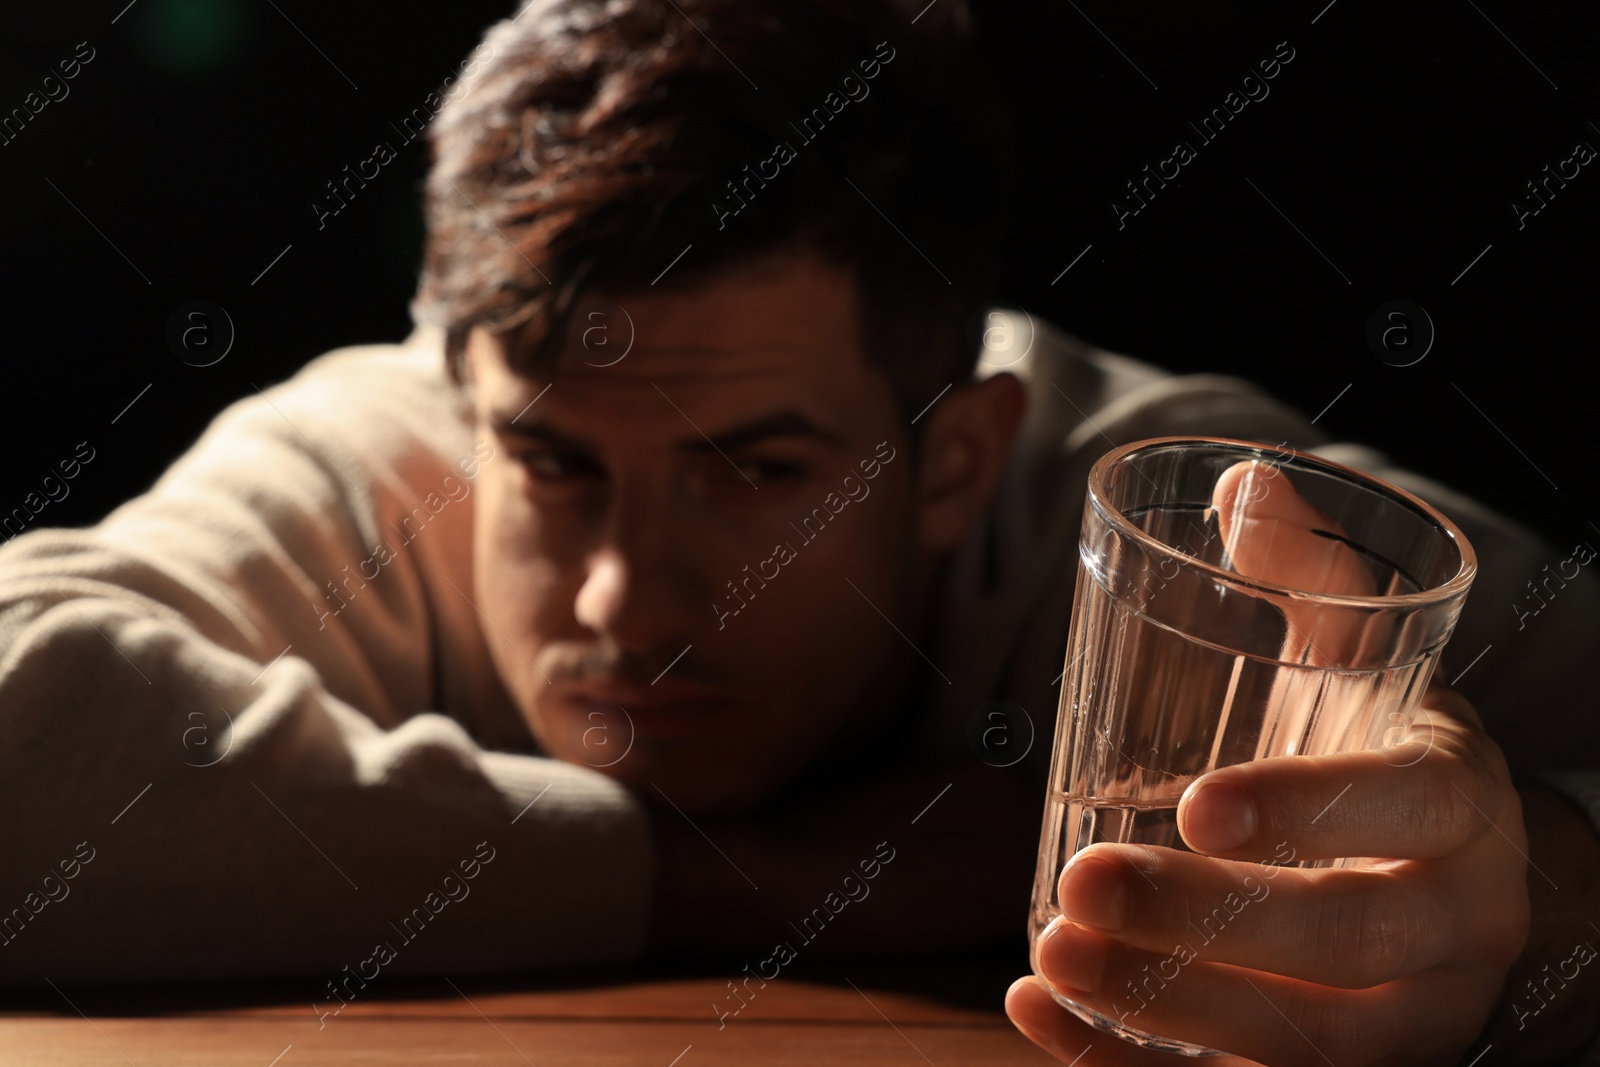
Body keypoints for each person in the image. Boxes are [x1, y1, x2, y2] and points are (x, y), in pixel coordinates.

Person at [0, 0, 1595, 1061]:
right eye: (553, 467)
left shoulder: (1194, 525)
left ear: (961, 458)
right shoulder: (384, 450)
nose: (629, 605)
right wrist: (799, 881)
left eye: (760, 472)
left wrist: (1530, 899)